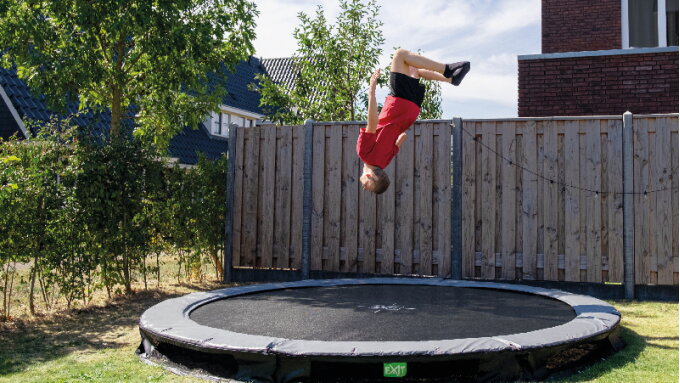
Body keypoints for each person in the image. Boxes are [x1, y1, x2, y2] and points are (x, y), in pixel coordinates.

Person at [356, 48, 469, 194]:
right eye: (367, 186)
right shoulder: (364, 154)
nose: (364, 187)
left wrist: (389, 134)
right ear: (369, 176)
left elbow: (402, 138)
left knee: (413, 69)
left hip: (411, 112)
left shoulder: (383, 162)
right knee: (400, 55)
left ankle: (452, 79)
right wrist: (372, 91)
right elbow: (372, 123)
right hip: (397, 105)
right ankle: (447, 69)